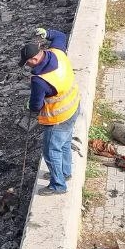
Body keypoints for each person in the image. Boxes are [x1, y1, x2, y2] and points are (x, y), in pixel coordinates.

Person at [20, 27, 81, 195]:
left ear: (33, 59)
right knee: (65, 143)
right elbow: (60, 35)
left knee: (51, 150)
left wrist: (29, 106)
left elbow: (35, 105)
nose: (27, 66)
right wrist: (46, 33)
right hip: (74, 106)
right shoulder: (57, 53)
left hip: (58, 117)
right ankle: (65, 172)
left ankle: (58, 185)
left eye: (27, 63)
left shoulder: (40, 80)